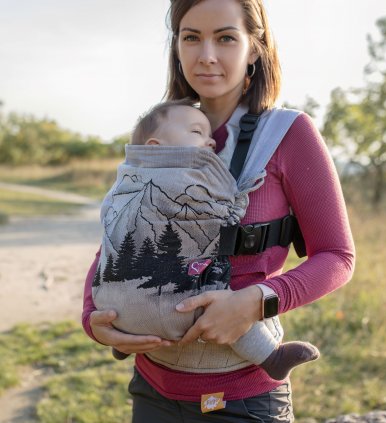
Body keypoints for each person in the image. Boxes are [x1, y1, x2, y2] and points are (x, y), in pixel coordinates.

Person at [82, 0, 355, 421]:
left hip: (243, 396)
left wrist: (256, 302)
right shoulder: (160, 129)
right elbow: (119, 235)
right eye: (191, 37)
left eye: (226, 38)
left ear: (255, 47)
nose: (206, 55)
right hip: (153, 389)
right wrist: (93, 318)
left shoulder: (289, 134)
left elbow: (337, 258)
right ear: (177, 47)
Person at [94, 98, 319, 381]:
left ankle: (131, 329)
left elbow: (111, 229)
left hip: (117, 310)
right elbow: (220, 211)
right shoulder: (190, 178)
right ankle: (271, 356)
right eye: (197, 133)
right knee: (210, 302)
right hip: (166, 348)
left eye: (211, 136)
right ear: (154, 148)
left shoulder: (126, 178)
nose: (211, 142)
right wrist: (237, 201)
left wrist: (103, 319)